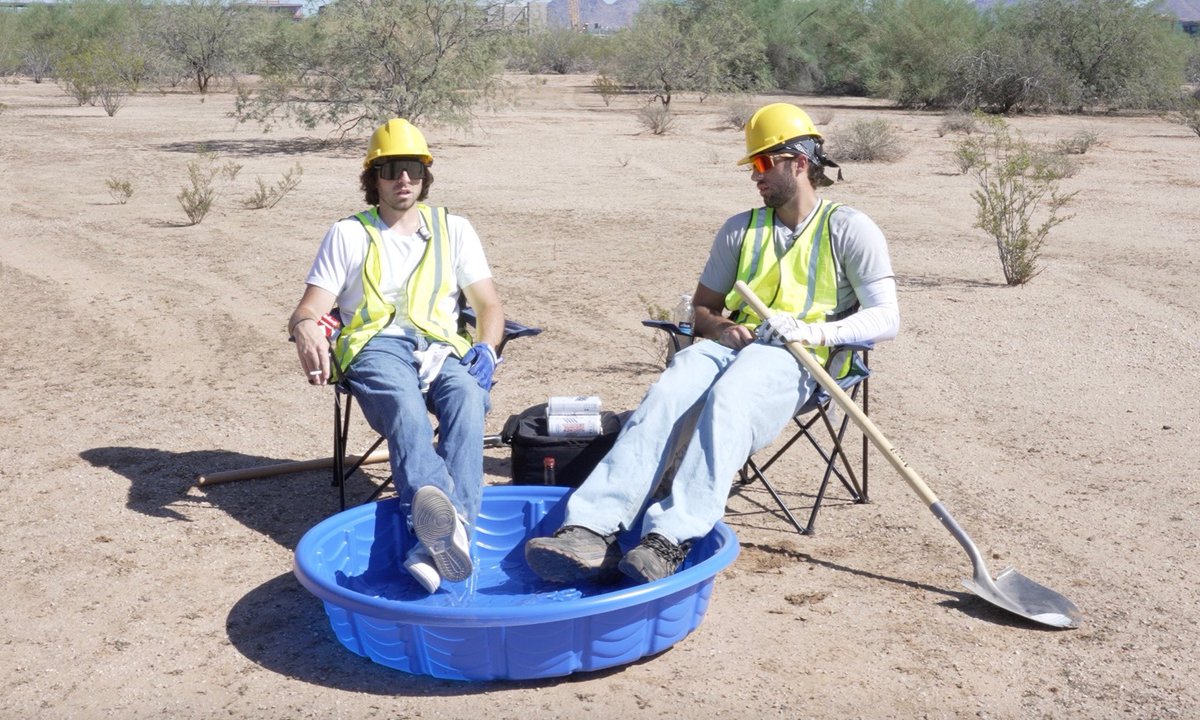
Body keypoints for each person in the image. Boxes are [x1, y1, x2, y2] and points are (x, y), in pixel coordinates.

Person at [525, 102, 900, 585]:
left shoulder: (849, 228)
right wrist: (722, 329)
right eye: (753, 167)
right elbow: (701, 311)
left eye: (763, 164)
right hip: (731, 346)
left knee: (731, 397)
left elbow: (887, 318)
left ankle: (669, 539)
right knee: (669, 391)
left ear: (799, 162)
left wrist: (812, 331)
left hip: (803, 360)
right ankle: (589, 529)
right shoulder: (740, 230)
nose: (755, 177)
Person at [288, 118, 506, 593]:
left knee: (468, 400)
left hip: (444, 347)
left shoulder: (455, 229)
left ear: (425, 175)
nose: (402, 179)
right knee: (406, 409)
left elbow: (489, 305)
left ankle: (440, 541)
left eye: (411, 167)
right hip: (375, 346)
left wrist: (488, 348)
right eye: (389, 169)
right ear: (374, 179)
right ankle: (448, 527)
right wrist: (306, 330)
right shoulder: (347, 234)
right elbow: (309, 309)